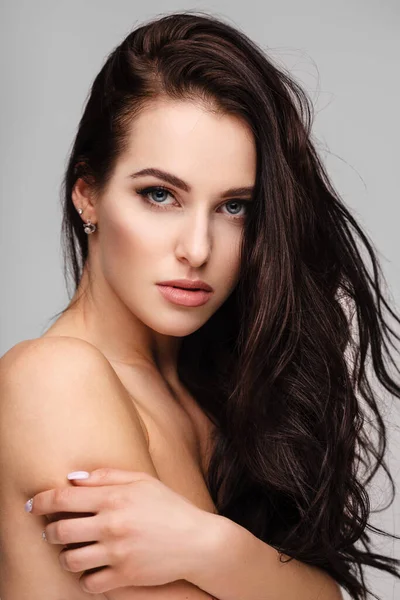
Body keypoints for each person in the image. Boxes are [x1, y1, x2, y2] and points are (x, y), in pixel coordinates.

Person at [0, 9, 399, 600]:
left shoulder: (211, 389)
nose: (197, 248)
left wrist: (211, 547)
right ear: (88, 194)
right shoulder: (54, 380)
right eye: (159, 195)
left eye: (234, 206)